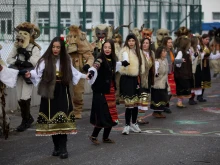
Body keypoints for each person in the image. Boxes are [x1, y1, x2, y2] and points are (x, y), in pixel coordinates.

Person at [25, 37, 90, 159]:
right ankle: (56, 147)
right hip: (50, 93)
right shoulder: (45, 60)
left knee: (63, 119)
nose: (55, 49)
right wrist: (29, 74)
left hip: (62, 91)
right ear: (51, 47)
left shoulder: (66, 60)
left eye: (58, 47)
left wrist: (84, 76)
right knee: (52, 120)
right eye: (54, 47)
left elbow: (73, 72)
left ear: (61, 48)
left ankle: (63, 148)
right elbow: (36, 72)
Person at [88, 39, 128, 144]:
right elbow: (95, 66)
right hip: (100, 92)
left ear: (112, 49)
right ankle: (93, 136)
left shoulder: (113, 60)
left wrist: (124, 63)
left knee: (111, 115)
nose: (107, 49)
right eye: (105, 47)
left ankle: (105, 137)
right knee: (102, 115)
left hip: (110, 91)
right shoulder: (100, 59)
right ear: (102, 48)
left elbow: (117, 65)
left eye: (109, 47)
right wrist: (91, 73)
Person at [6, 22, 41, 132]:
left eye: (25, 33)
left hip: (28, 76)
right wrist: (19, 61)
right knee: (19, 98)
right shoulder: (16, 46)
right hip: (19, 74)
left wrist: (26, 54)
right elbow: (9, 59)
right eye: (20, 33)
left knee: (25, 97)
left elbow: (35, 62)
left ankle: (25, 121)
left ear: (31, 35)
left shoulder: (35, 48)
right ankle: (28, 118)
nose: (22, 36)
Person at [118, 33, 145, 135]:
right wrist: (125, 63)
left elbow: (142, 65)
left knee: (135, 104)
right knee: (129, 105)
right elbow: (123, 62)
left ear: (135, 42)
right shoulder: (124, 51)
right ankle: (126, 125)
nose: (131, 43)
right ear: (127, 41)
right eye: (129, 41)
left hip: (136, 79)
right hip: (126, 78)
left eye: (133, 41)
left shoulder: (139, 51)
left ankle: (134, 123)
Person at [137, 37, 155, 124]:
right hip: (140, 79)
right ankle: (137, 118)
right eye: (143, 43)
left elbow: (153, 67)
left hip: (148, 79)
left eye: (147, 43)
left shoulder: (151, 54)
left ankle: (140, 118)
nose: (145, 44)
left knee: (145, 98)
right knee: (140, 98)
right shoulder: (138, 53)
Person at [150, 46, 169, 118]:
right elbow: (155, 73)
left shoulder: (165, 60)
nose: (165, 53)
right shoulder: (157, 61)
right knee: (158, 98)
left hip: (164, 82)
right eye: (163, 51)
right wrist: (156, 72)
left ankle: (160, 112)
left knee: (163, 97)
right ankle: (156, 112)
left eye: (165, 51)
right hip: (157, 83)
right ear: (160, 53)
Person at [174, 36, 193, 108]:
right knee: (181, 88)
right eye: (189, 44)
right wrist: (181, 62)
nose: (190, 45)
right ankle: (179, 102)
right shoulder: (180, 51)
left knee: (181, 88)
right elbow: (176, 61)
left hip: (185, 72)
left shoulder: (186, 51)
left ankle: (180, 102)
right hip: (181, 73)